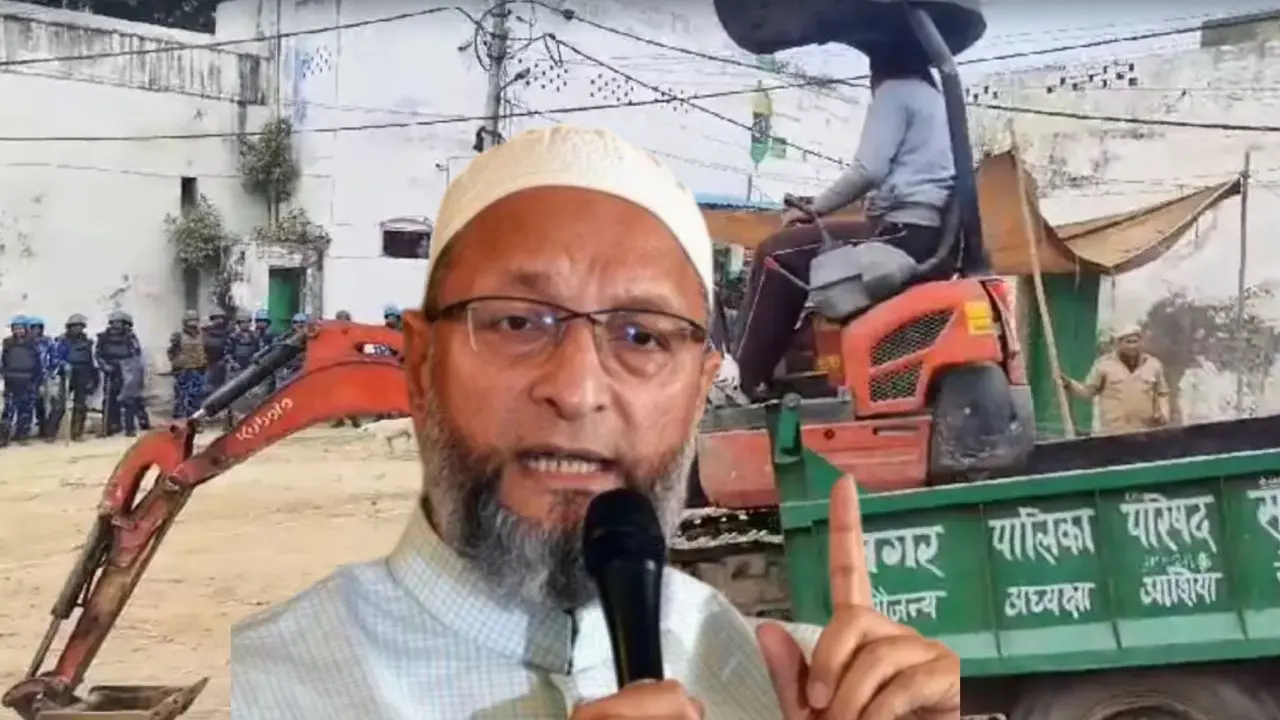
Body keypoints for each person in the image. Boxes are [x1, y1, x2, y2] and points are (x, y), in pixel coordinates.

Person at [231, 126, 958, 719]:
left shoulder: (782, 681)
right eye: (517, 321)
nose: (577, 391)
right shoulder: (273, 686)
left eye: (642, 336)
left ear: (702, 388)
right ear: (421, 364)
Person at [732, 48, 956, 399]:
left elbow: (869, 169)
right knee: (808, 256)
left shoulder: (895, 92)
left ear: (879, 67)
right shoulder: (935, 100)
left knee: (777, 253)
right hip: (923, 232)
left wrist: (815, 210)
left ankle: (741, 382)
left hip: (898, 231)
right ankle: (775, 371)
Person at [1062, 324, 1171, 434]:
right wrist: (1069, 384)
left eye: (1135, 341)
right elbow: (1087, 392)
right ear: (1118, 343)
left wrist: (1163, 413)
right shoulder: (1104, 365)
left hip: (1144, 433)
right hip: (1112, 434)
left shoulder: (1153, 365)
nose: (1132, 346)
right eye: (1128, 342)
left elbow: (1162, 393)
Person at [52, 314, 97, 441]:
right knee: (60, 404)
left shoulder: (87, 342)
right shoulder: (62, 341)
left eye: (80, 326)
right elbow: (56, 357)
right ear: (69, 327)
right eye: (74, 326)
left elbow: (91, 360)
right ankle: (50, 432)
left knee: (80, 404)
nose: (77, 329)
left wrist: (92, 377)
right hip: (67, 374)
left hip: (82, 373)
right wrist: (63, 365)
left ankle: (77, 433)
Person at [1, 315, 40, 446]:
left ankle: (22, 436)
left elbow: (37, 362)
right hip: (11, 380)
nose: (18, 331)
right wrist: (4, 375)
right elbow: (4, 361)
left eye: (21, 328)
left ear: (26, 329)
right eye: (16, 328)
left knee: (25, 410)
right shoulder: (7, 343)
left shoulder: (32, 343)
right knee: (8, 410)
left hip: (28, 380)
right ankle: (3, 437)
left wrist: (36, 378)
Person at [167, 310, 208, 420]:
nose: (193, 325)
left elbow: (205, 350)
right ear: (185, 322)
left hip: (198, 369)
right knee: (181, 396)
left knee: (196, 397)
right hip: (183, 371)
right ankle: (179, 419)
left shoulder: (202, 334)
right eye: (190, 322)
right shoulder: (178, 336)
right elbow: (171, 353)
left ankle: (193, 420)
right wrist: (178, 364)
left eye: (194, 321)